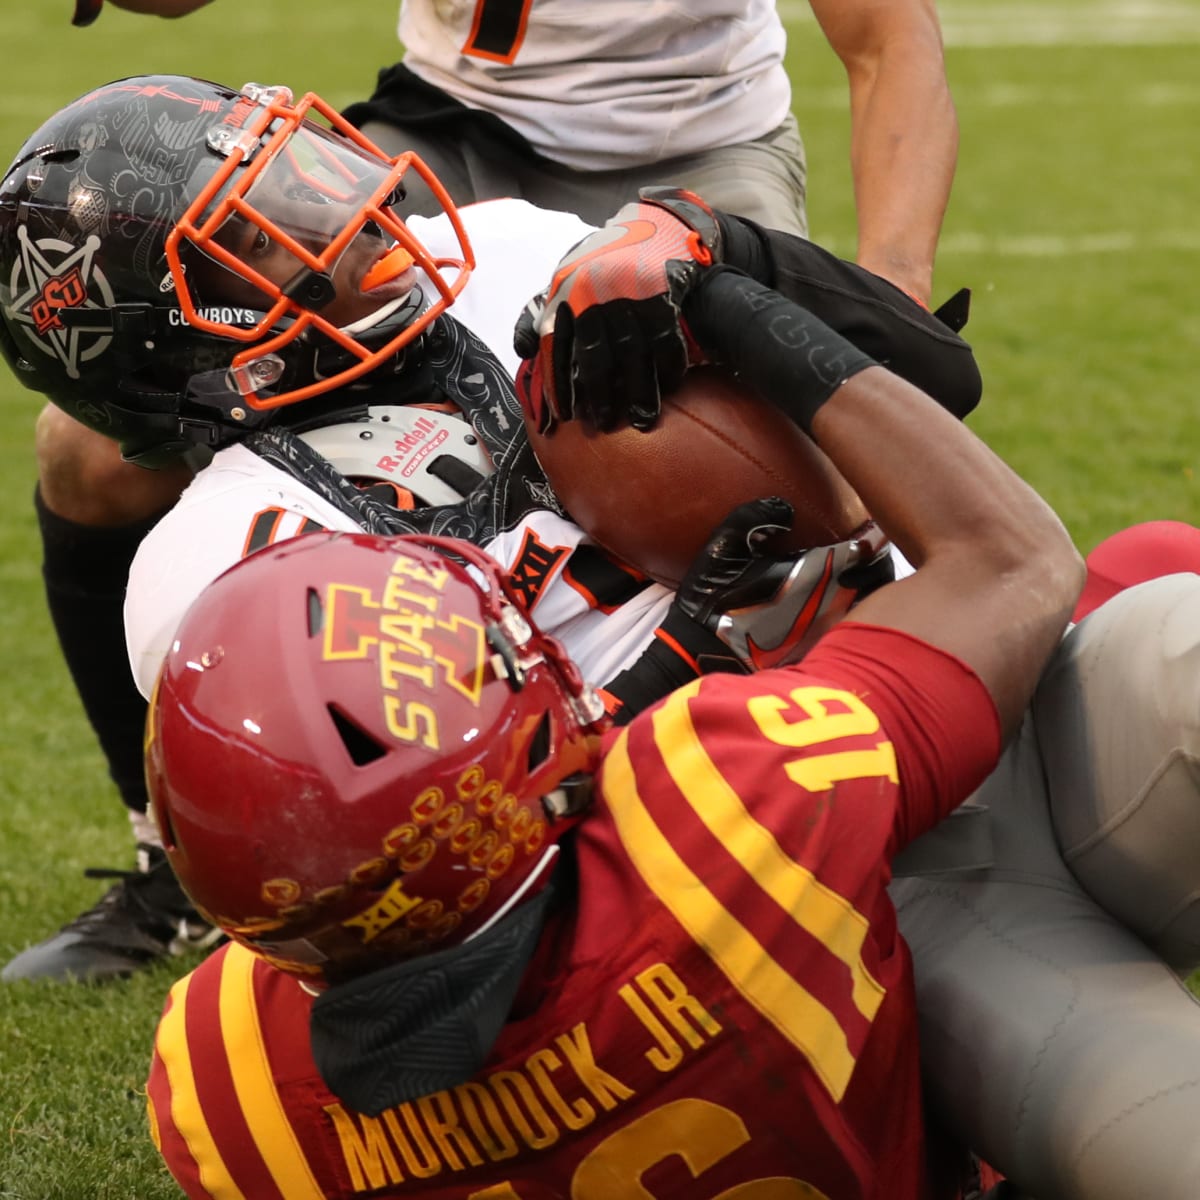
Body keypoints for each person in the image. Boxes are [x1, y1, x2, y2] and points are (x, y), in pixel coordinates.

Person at [139, 236, 1080, 1199]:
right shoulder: (729, 805)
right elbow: (1010, 563)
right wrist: (733, 291)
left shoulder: (221, 1085)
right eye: (513, 659)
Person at [0, 74, 977, 982]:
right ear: (183, 350)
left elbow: (936, 375)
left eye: (295, 169)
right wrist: (676, 660)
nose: (346, 211)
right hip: (703, 850)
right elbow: (449, 860)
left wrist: (726, 251)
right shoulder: (224, 560)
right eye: (260, 234)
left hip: (926, 659)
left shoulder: (505, 245)